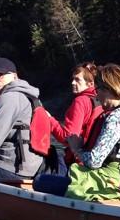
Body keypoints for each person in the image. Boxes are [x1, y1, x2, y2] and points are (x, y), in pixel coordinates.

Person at [63, 63, 120, 203]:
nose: (96, 94)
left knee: (44, 183)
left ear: (108, 89)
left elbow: (95, 161)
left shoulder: (116, 117)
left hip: (115, 180)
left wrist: (76, 148)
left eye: (98, 89)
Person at [33, 62, 102, 195]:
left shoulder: (80, 101)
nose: (72, 82)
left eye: (77, 79)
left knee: (39, 180)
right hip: (92, 165)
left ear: (90, 84)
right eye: (72, 79)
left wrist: (49, 119)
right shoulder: (99, 101)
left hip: (77, 165)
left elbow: (68, 138)